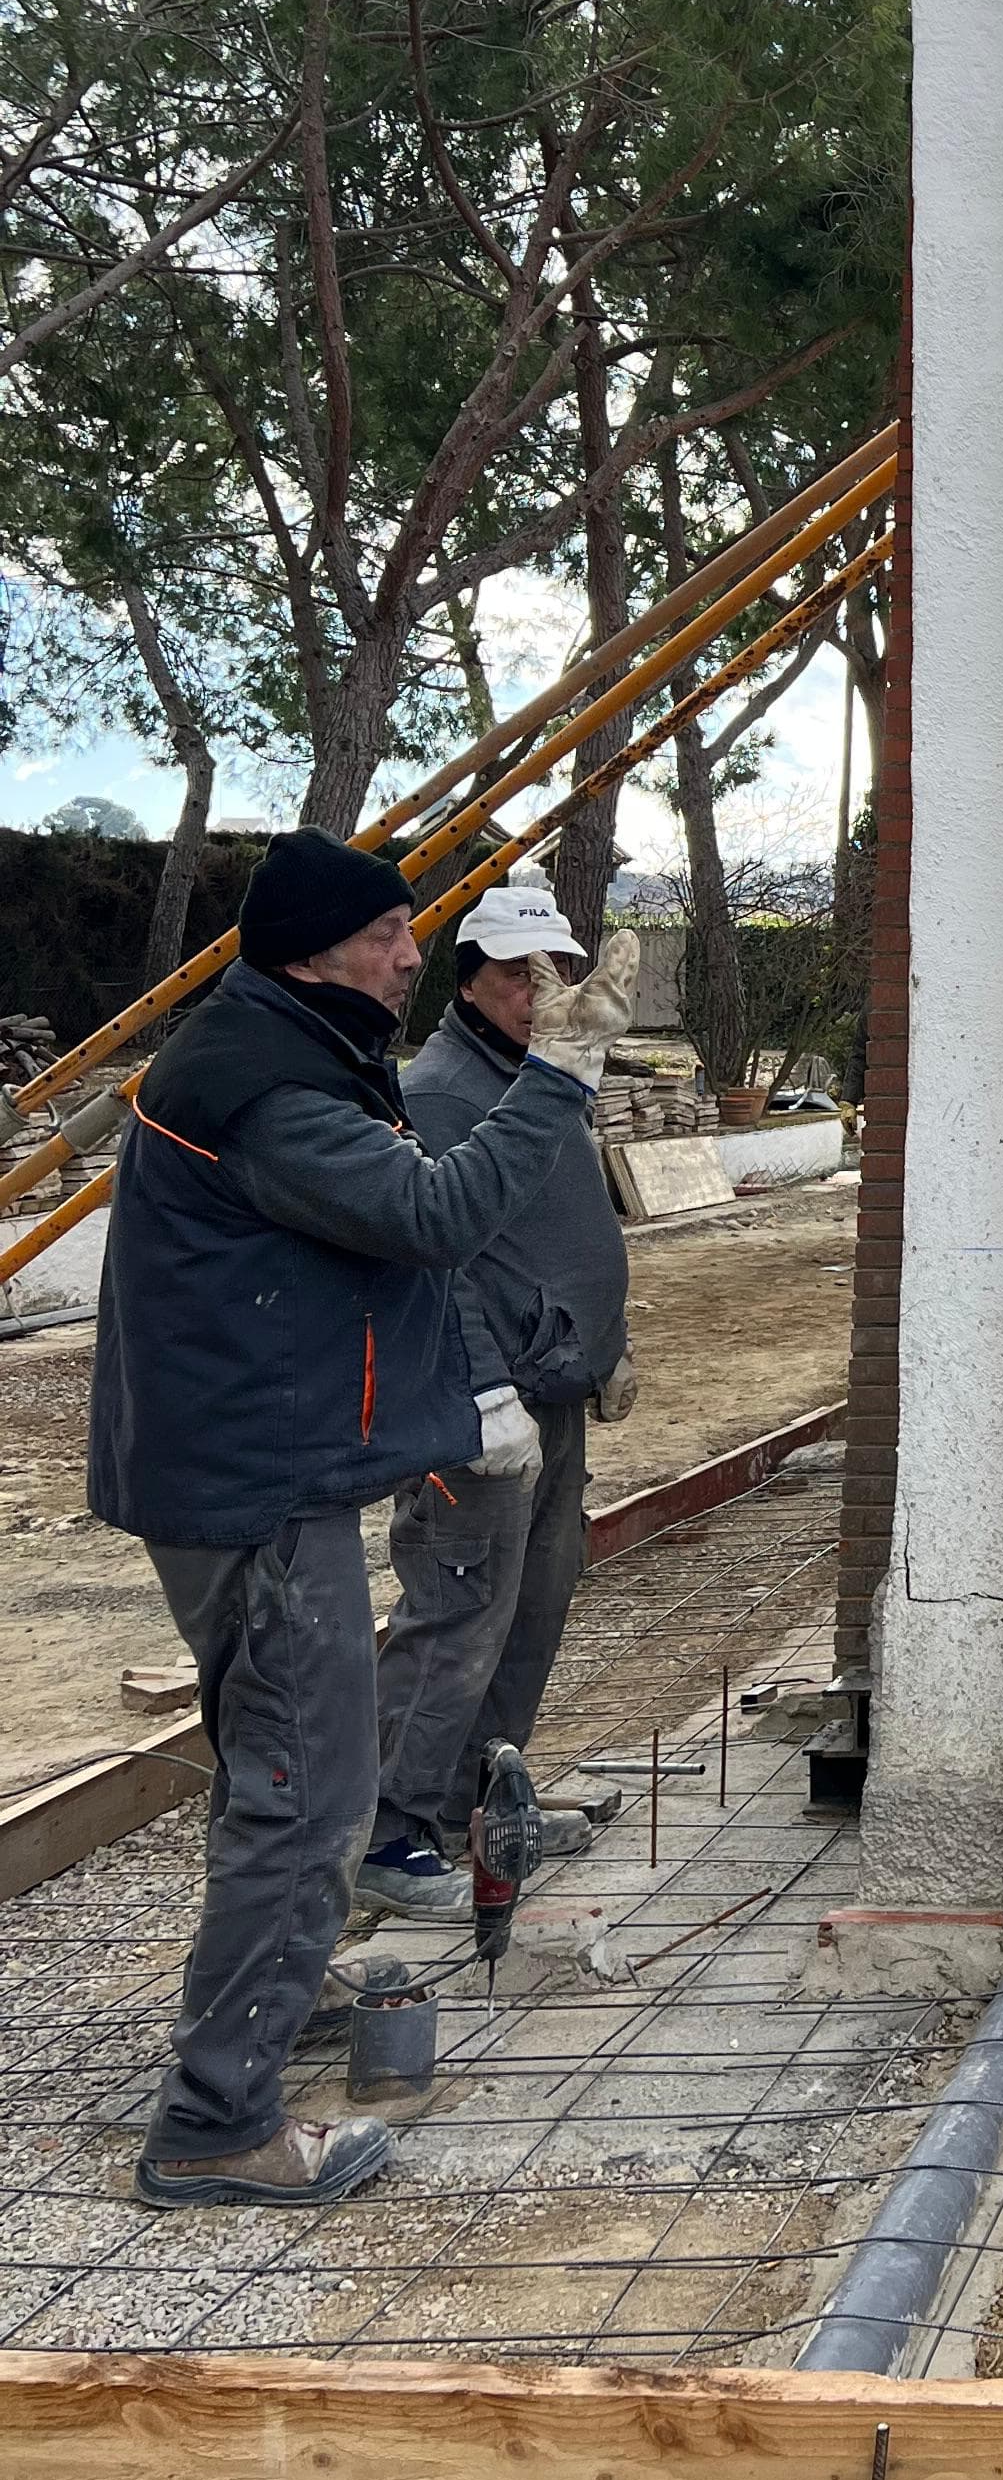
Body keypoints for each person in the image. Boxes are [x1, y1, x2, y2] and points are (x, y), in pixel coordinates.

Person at [88, 829, 632, 2211]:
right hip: (262, 1486)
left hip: (246, 1465)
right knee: (310, 1793)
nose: (409, 955)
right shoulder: (268, 1087)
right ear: (312, 951)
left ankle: (274, 1991)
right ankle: (216, 2125)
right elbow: (435, 1216)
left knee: (277, 1767)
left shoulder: (282, 1049)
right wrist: (561, 1076)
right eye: (388, 934)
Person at [359, 871, 640, 1919]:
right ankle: (389, 1831)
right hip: (479, 1409)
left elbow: (562, 1227)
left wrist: (605, 1342)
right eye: (520, 975)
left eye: (554, 968)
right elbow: (439, 1263)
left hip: (551, 1386)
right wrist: (482, 1391)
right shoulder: (442, 1092)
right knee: (459, 1605)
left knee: (533, 1601)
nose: (542, 991)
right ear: (470, 981)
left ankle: (483, 1806)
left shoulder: (541, 1072)